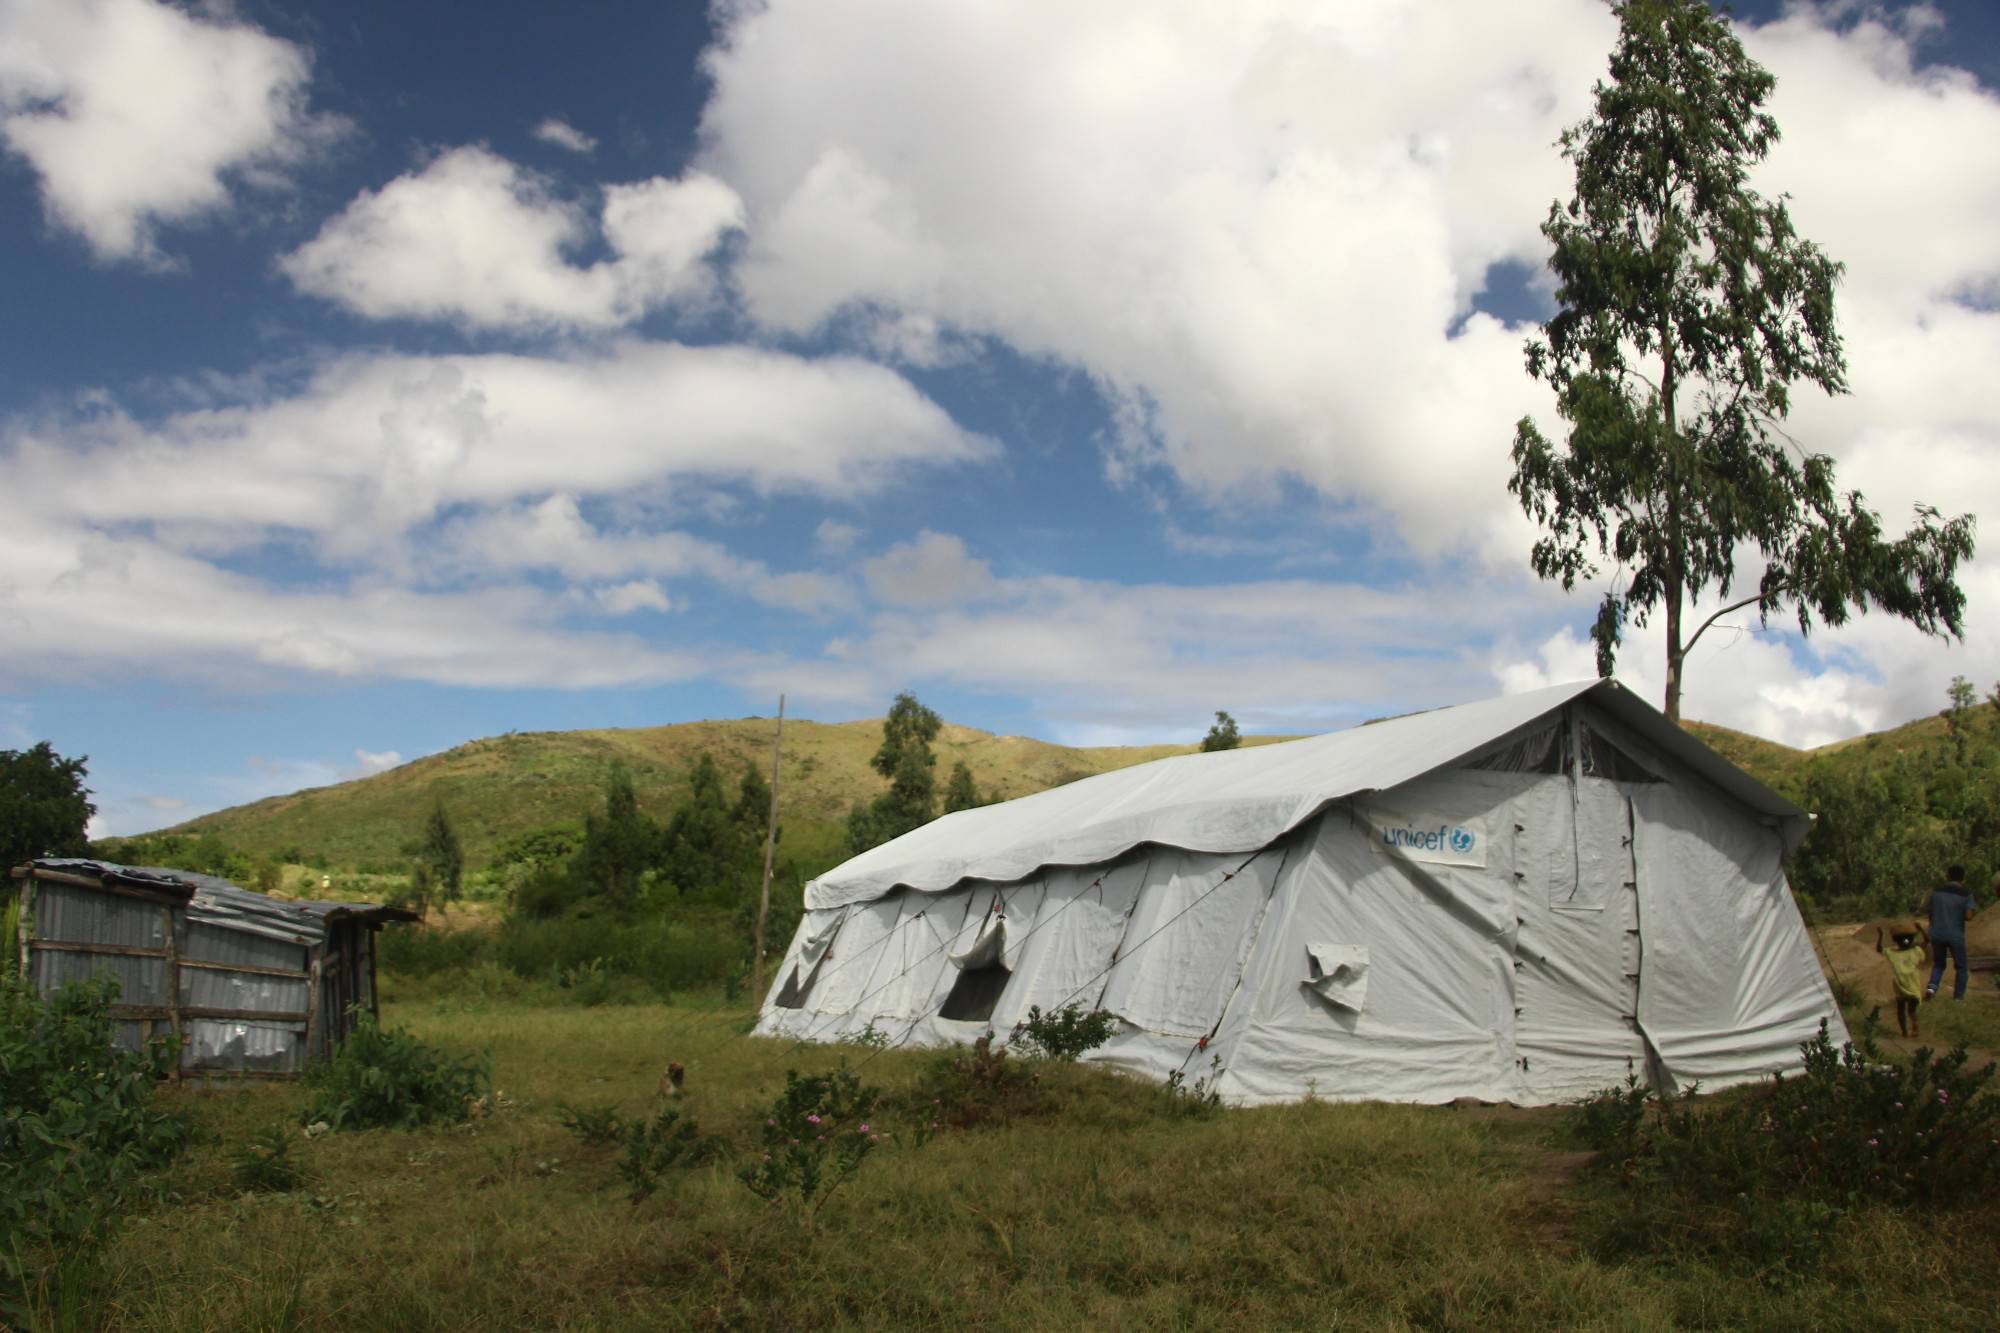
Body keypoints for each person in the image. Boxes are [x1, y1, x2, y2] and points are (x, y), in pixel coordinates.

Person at [1920, 865, 1979, 1001]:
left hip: (1937, 933)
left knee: (1939, 964)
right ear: (1963, 878)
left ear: (1948, 876)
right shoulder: (1966, 894)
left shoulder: (1936, 892)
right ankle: (1958, 998)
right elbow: (1969, 917)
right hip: (1955, 935)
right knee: (1961, 967)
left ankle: (1932, 988)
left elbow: (1930, 912)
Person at [1875, 922, 1929, 1038]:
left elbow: (1879, 949)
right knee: (1911, 1010)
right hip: (1913, 985)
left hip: (1900, 985)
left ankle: (1904, 1032)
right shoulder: (1916, 951)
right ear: (1911, 940)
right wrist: (1920, 930)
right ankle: (1914, 1025)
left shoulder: (1892, 953)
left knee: (1901, 1010)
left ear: (1896, 941)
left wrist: (1881, 936)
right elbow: (1926, 941)